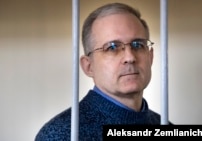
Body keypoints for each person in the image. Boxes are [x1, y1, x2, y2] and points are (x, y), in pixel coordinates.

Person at [35, 2, 165, 141]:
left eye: (137, 45)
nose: (130, 57)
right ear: (89, 66)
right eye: (112, 47)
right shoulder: (62, 134)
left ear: (150, 57)